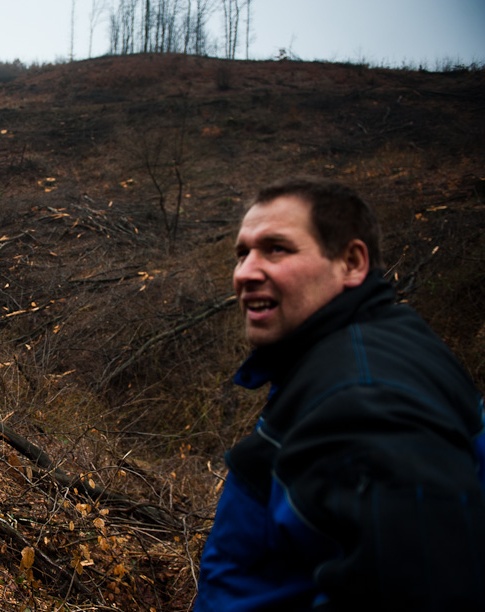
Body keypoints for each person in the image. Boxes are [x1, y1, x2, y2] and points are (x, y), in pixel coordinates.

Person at [194, 176, 485, 611]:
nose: (245, 273)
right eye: (242, 253)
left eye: (276, 249)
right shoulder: (373, 348)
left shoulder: (365, 397)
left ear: (351, 262)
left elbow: (429, 591)